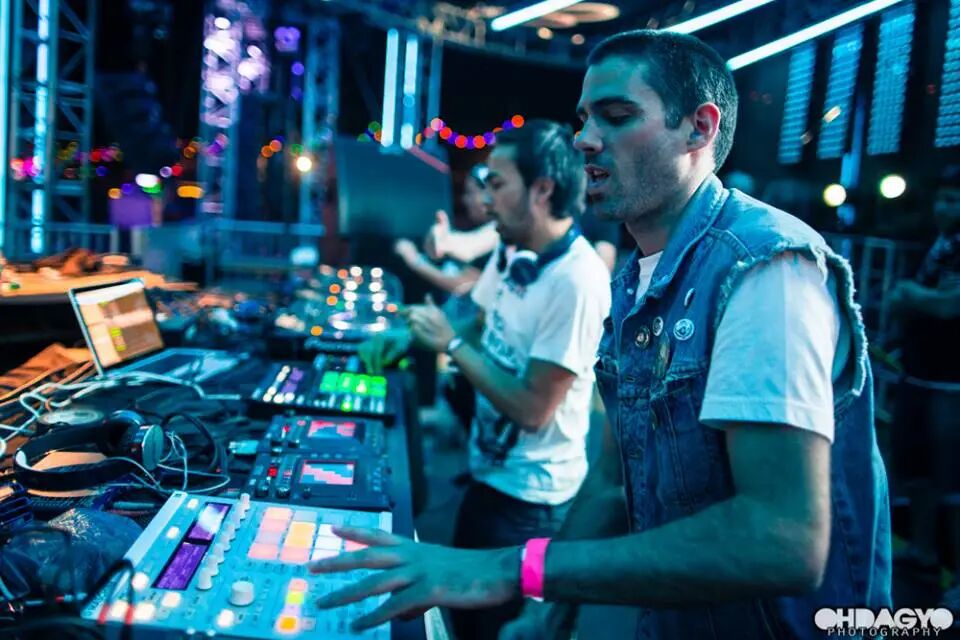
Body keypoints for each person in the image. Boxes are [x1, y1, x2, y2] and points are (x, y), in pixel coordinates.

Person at [308, 30, 891, 640]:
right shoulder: (637, 280)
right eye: (584, 119)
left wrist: (513, 569)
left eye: (616, 116)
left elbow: (783, 539)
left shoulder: (765, 268)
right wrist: (548, 604)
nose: (585, 139)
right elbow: (615, 480)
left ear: (699, 129)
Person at [352, 119, 611, 639]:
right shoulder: (513, 251)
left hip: (533, 507)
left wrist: (450, 344)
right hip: (489, 481)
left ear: (541, 190)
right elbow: (479, 320)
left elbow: (534, 409)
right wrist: (411, 338)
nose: (485, 199)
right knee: (464, 624)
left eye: (496, 184)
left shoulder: (577, 280)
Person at [887, 168, 960, 600]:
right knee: (919, 471)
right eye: (942, 198)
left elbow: (950, 306)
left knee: (954, 483)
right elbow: (905, 298)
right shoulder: (936, 243)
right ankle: (923, 550)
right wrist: (920, 298)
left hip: (952, 384)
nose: (944, 208)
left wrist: (914, 295)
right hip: (918, 373)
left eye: (954, 200)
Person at [424, 184, 621, 272]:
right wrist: (445, 241)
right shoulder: (524, 217)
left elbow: (603, 269)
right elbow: (473, 245)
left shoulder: (599, 218)